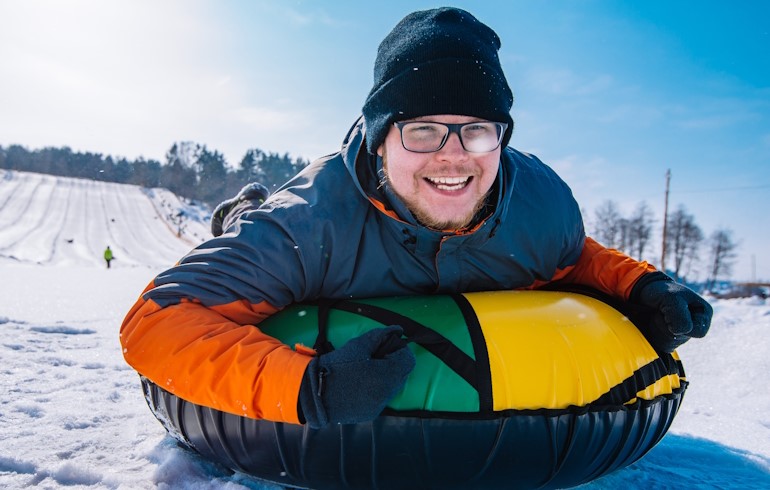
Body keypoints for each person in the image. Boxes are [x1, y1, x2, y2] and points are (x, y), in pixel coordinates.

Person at [120, 7, 711, 429]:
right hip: (307, 230)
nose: (452, 155)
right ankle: (243, 208)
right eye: (421, 130)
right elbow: (155, 322)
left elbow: (570, 258)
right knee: (255, 226)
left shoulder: (541, 201)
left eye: (477, 130)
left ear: (501, 139)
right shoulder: (309, 225)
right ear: (381, 142)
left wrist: (640, 284)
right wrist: (307, 387)